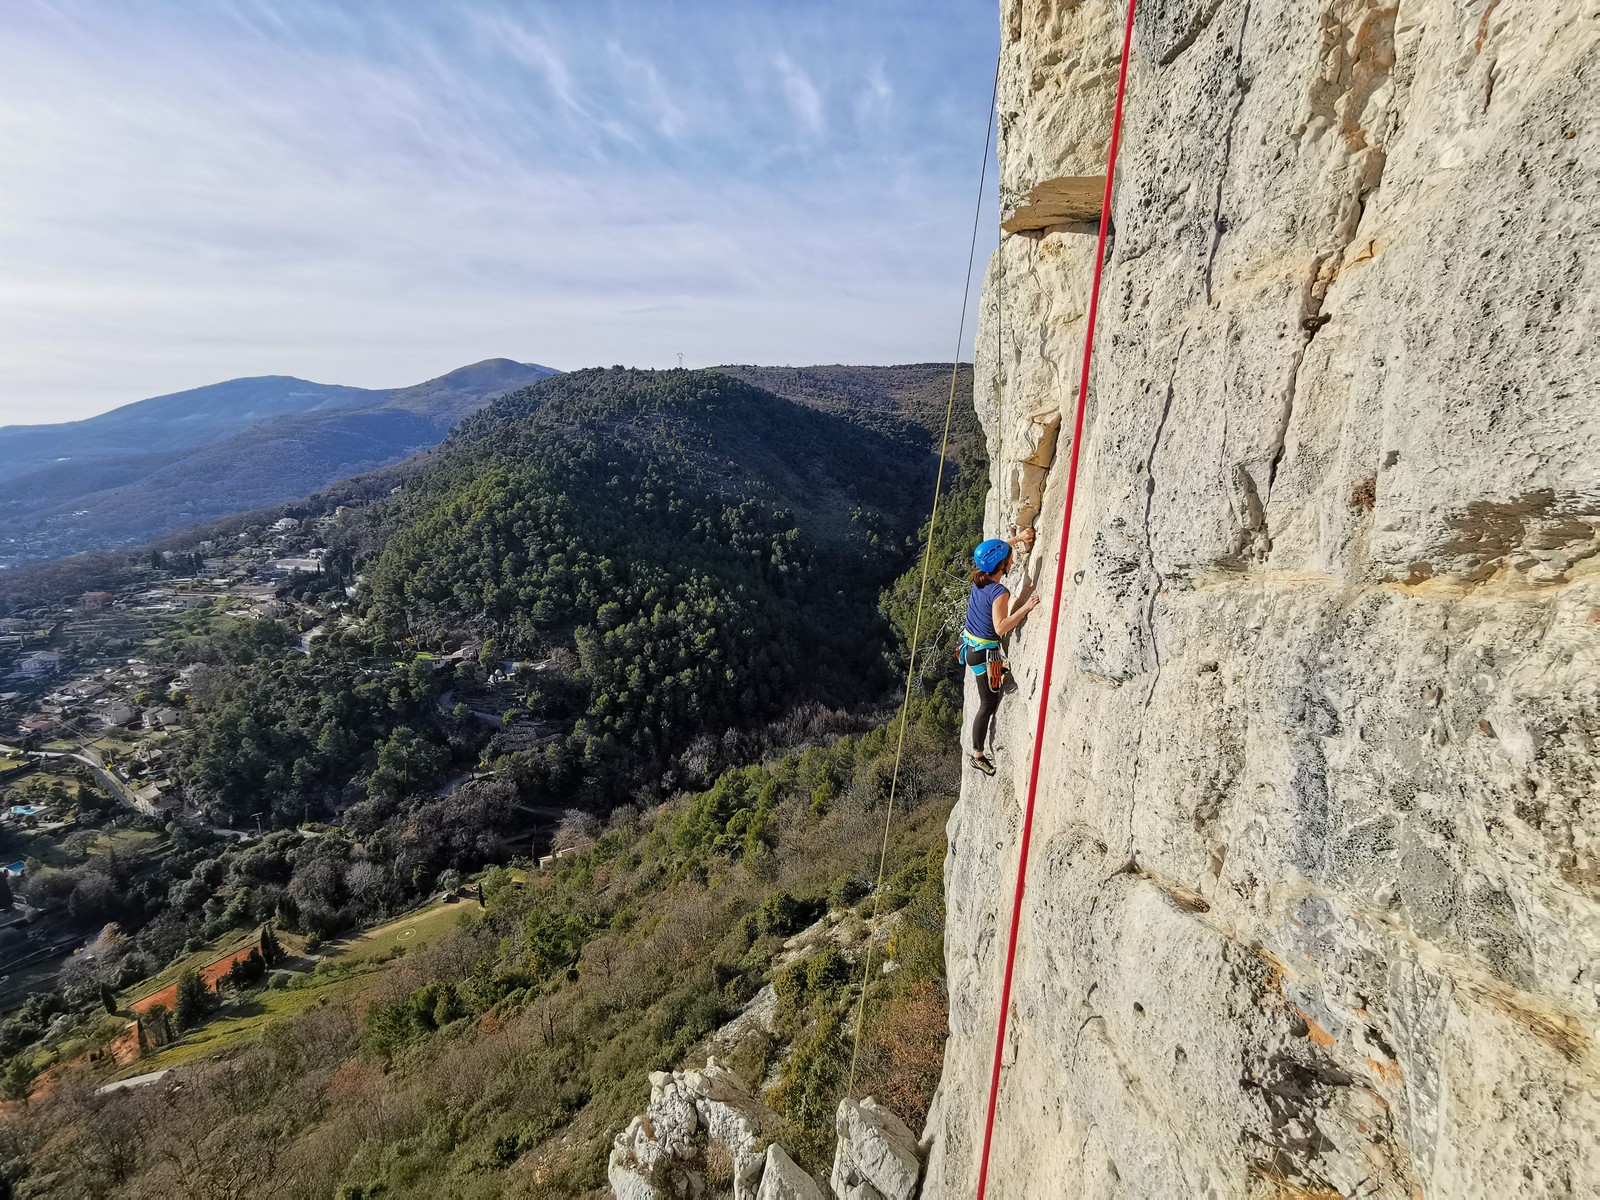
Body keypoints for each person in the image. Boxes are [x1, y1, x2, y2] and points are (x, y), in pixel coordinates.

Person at [962, 530, 1039, 775]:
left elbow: (992, 553)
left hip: (972, 648)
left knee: (990, 689)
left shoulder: (980, 579)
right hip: (983, 655)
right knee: (987, 704)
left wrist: (1018, 539)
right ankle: (977, 754)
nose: (1013, 560)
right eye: (1010, 558)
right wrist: (1026, 608)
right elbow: (1001, 627)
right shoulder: (999, 592)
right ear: (1001, 565)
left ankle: (998, 671)